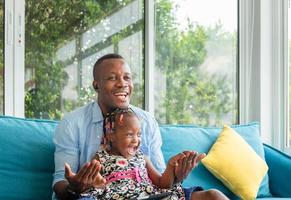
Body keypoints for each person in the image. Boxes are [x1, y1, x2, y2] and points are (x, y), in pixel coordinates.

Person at [52, 53, 228, 200]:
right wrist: (75, 188)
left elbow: (160, 181)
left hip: (147, 194)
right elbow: (61, 183)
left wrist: (176, 174)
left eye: (127, 78)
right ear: (96, 84)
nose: (122, 83)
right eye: (112, 78)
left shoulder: (146, 121)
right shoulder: (72, 124)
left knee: (214, 196)